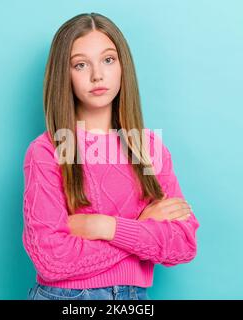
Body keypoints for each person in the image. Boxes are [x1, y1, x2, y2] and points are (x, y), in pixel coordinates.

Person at [22, 12, 200, 300]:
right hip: (67, 298)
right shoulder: (46, 151)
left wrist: (103, 226)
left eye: (108, 59)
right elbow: (51, 259)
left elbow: (183, 244)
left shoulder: (150, 149)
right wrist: (142, 230)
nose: (97, 75)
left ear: (122, 66)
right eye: (81, 64)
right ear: (63, 75)